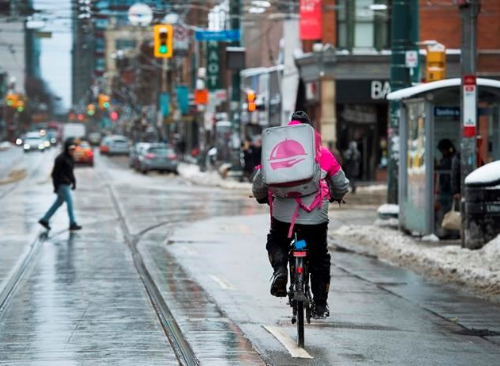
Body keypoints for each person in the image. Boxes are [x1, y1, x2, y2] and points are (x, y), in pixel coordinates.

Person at [252, 111, 350, 319]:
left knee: (277, 240)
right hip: (315, 215)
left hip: (283, 215)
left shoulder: (274, 151)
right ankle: (321, 305)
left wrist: (261, 197)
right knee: (319, 257)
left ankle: (280, 270)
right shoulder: (321, 152)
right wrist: (336, 195)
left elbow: (259, 183)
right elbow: (341, 184)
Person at [39, 140, 82, 231]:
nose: (72, 151)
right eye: (71, 149)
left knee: (58, 202)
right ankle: (72, 223)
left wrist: (74, 182)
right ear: (66, 149)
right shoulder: (60, 158)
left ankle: (45, 219)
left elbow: (70, 172)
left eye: (74, 149)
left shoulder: (71, 158)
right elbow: (54, 173)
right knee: (70, 202)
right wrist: (56, 186)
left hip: (66, 183)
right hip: (62, 184)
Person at [436, 139, 457, 238]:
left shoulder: (450, 160)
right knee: (447, 212)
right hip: (447, 190)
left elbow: (447, 177)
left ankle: (449, 232)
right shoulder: (450, 159)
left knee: (447, 212)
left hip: (447, 191)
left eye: (442, 150)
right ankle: (449, 232)